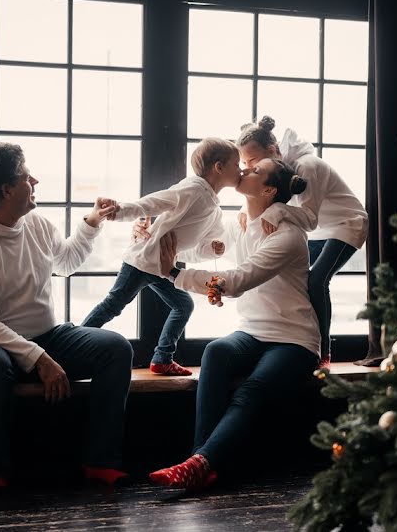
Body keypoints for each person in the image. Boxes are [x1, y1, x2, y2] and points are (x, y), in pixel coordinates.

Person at [0, 141, 133, 489]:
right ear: (6, 189)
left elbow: (65, 262)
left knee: (116, 348)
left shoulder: (36, 223)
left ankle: (100, 462)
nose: (35, 181)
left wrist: (92, 222)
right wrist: (39, 359)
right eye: (25, 177)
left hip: (44, 337)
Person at [146, 157, 318, 490]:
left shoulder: (287, 236)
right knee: (216, 351)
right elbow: (202, 246)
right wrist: (151, 231)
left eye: (256, 170)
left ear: (268, 190)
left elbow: (237, 281)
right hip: (253, 331)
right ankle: (200, 462)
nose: (245, 169)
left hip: (294, 339)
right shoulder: (242, 224)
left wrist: (174, 274)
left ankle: (199, 463)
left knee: (251, 390)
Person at [81, 137, 240, 376]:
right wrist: (118, 212)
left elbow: (194, 250)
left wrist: (213, 249)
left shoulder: (214, 211)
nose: (241, 170)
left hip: (162, 268)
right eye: (237, 164)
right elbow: (154, 202)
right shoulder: (193, 189)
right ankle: (76, 344)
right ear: (219, 167)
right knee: (113, 305)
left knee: (183, 305)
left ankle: (162, 359)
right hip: (142, 261)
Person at [237, 116, 370, 369]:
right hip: (321, 229)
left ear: (273, 150)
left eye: (252, 161)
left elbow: (308, 219)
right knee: (298, 280)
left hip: (347, 223)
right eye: (244, 163)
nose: (248, 167)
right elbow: (268, 197)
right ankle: (286, 338)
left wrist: (275, 212)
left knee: (318, 280)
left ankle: (324, 352)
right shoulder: (278, 170)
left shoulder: (307, 166)